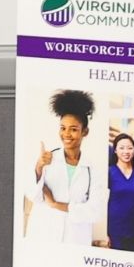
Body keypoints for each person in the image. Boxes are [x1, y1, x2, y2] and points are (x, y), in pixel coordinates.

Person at [27, 89, 96, 244]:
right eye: (63, 128)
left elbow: (94, 212)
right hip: (45, 234)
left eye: (73, 129)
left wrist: (55, 204)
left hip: (76, 238)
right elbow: (32, 195)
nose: (66, 134)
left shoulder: (92, 169)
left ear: (85, 131)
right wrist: (39, 167)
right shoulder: (46, 159)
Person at [105, 133, 134, 251]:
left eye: (130, 148)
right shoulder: (108, 173)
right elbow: (103, 204)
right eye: (122, 148)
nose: (126, 151)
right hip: (112, 232)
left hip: (133, 233)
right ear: (115, 150)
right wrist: (104, 233)